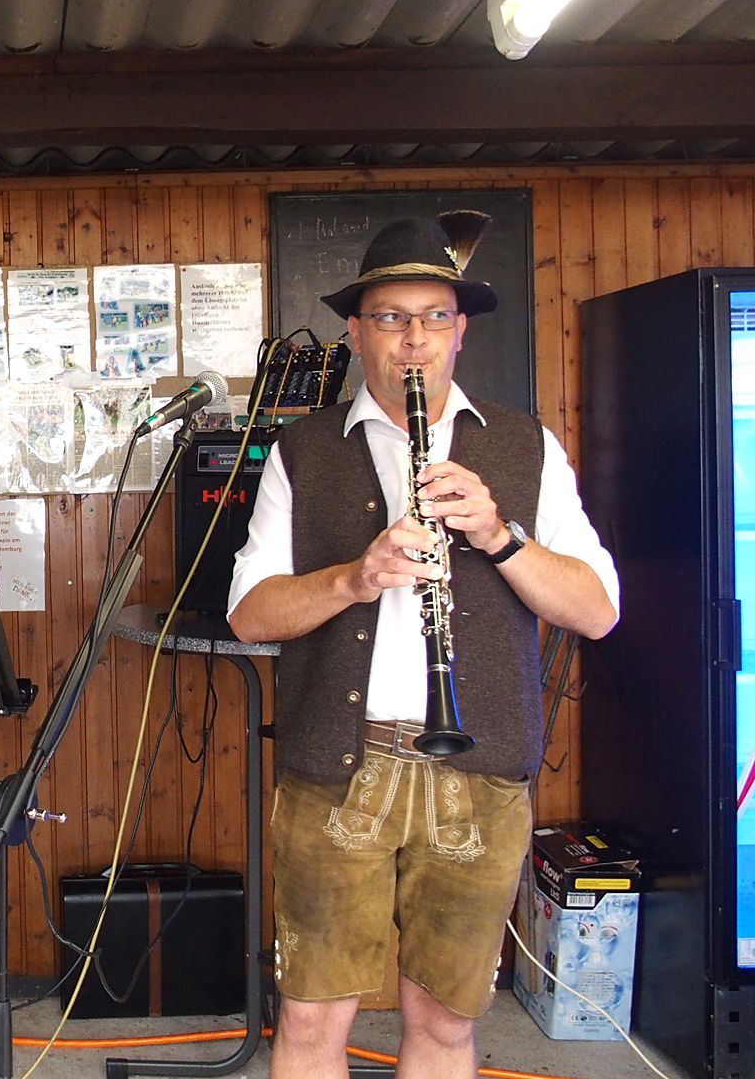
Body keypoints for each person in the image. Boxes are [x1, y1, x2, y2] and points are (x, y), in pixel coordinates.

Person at [227, 211, 620, 1079]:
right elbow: (250, 615)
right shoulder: (303, 450)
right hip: (339, 766)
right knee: (309, 1023)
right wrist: (356, 578)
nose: (414, 340)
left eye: (433, 317)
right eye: (391, 319)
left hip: (477, 775)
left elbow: (595, 612)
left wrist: (498, 534)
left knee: (444, 1028)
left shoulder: (526, 446)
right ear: (358, 331)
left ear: (461, 330)